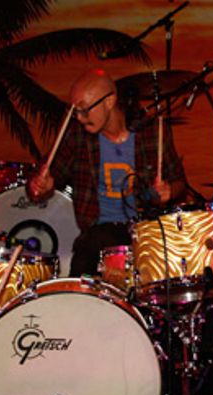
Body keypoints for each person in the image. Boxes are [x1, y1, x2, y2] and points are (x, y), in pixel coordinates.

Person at [27, 68, 187, 276]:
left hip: (145, 232)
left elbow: (179, 181)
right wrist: (41, 185)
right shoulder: (77, 135)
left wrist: (169, 191)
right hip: (97, 234)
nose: (80, 118)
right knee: (88, 252)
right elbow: (45, 175)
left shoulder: (151, 131)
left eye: (85, 110)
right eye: (76, 111)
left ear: (109, 101)